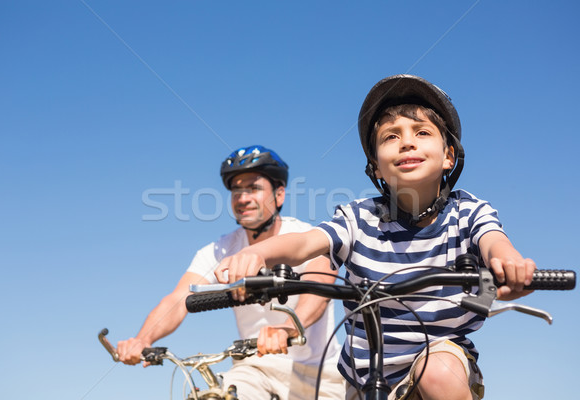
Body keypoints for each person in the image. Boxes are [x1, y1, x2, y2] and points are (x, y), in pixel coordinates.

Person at [214, 76, 536, 400]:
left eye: (422, 132)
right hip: (365, 378)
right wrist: (260, 255)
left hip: (442, 357)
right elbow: (304, 242)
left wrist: (507, 262)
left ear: (449, 155)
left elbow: (494, 241)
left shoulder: (468, 211)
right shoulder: (358, 218)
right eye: (390, 137)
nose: (407, 142)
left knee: (437, 374)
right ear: (376, 168)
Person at [117, 145, 345, 400]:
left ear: (279, 195)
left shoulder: (304, 237)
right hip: (257, 367)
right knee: (220, 395)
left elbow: (320, 286)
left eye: (253, 188)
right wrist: (143, 338)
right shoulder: (217, 251)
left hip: (322, 375)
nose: (242, 198)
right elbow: (178, 300)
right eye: (236, 190)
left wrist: (287, 327)